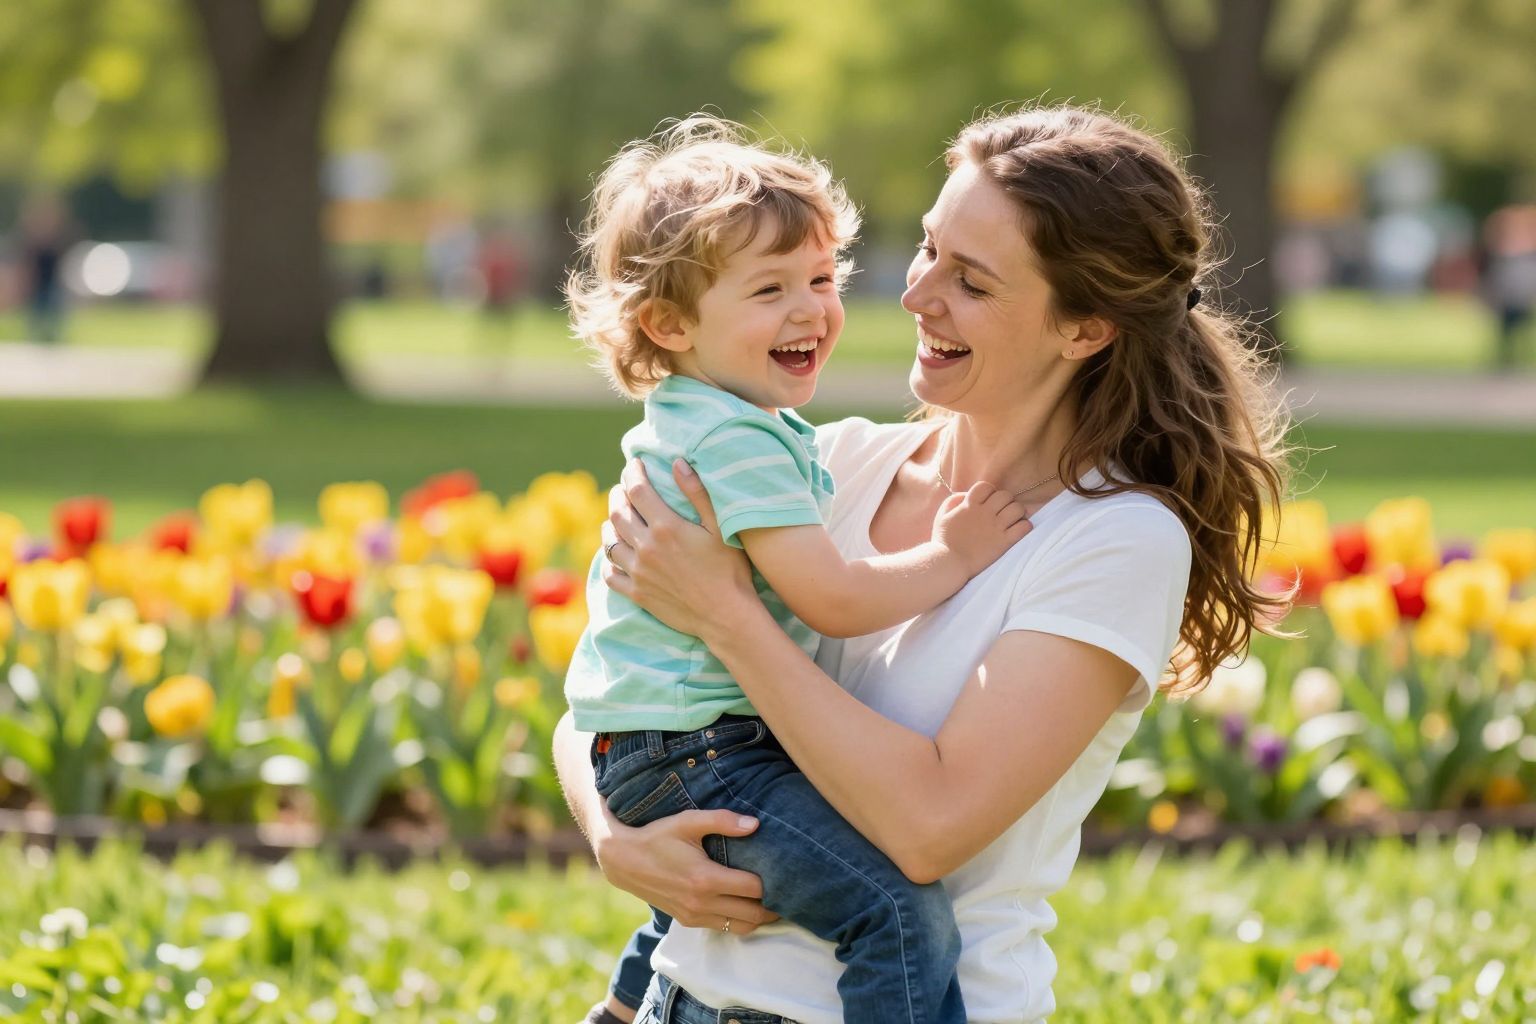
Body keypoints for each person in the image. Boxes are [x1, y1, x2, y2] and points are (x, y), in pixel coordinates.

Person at [556, 103, 1292, 1024]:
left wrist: (729, 619)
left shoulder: (1113, 541)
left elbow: (928, 828)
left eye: (972, 283)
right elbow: (617, 684)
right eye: (928, 249)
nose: (915, 296)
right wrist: (612, 834)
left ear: (1085, 329)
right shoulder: (827, 463)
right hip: (683, 1001)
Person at [563, 118, 1032, 1024]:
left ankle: (622, 1010)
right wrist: (953, 554)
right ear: (669, 323)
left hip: (659, 747)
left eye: (822, 279)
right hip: (700, 751)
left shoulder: (708, 421)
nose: (810, 311)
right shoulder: (739, 442)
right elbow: (833, 600)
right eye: (769, 289)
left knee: (748, 851)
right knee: (894, 910)